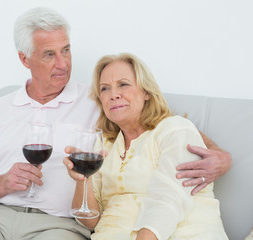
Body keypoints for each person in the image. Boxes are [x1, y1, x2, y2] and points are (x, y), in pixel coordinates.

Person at [0, 7, 230, 240]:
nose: (63, 64)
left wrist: (221, 156)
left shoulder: (98, 98)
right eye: (49, 54)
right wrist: (1, 184)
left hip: (58, 228)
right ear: (24, 59)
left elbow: (156, 123)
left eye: (67, 51)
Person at [63, 53, 228, 239]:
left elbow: (168, 200)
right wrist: (81, 180)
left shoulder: (174, 129)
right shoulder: (104, 145)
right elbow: (89, 220)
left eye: (123, 84)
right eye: (104, 88)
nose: (113, 94)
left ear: (146, 92)